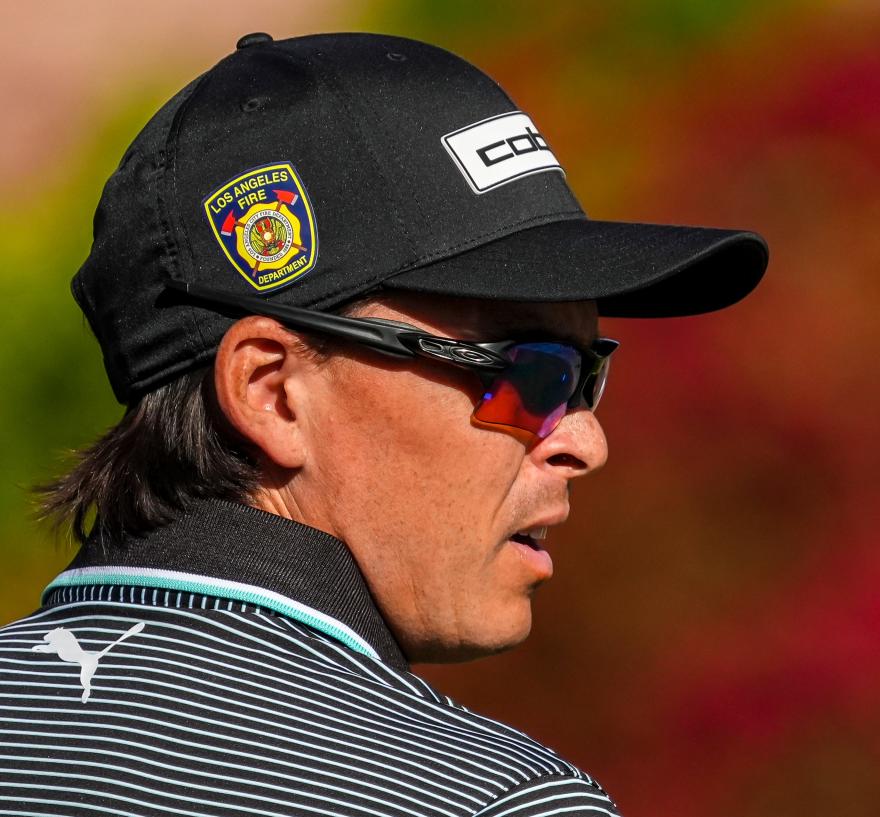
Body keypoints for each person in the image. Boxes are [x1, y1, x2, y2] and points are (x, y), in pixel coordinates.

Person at [0, 32, 767, 817]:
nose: (585, 441)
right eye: (529, 372)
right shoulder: (497, 803)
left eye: (586, 372)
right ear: (272, 390)